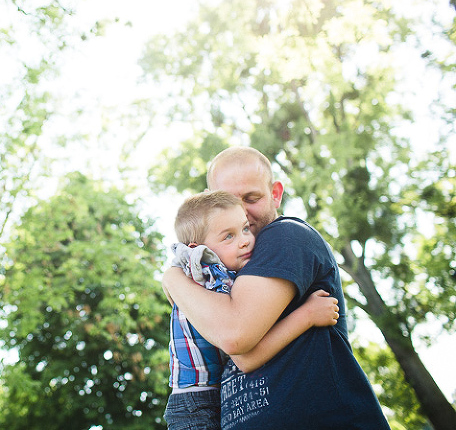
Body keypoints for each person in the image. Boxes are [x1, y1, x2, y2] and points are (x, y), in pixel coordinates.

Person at [162, 146, 391, 430]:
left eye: (252, 198)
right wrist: (173, 277)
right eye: (228, 201)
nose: (241, 212)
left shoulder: (285, 235)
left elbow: (235, 336)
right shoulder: (222, 269)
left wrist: (172, 279)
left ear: (276, 194)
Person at [164, 190, 340, 430]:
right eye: (229, 236)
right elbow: (244, 356)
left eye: (245, 229)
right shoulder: (212, 275)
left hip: (203, 399)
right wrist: (307, 315)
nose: (245, 240)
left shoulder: (191, 275)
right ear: (199, 249)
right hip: (196, 405)